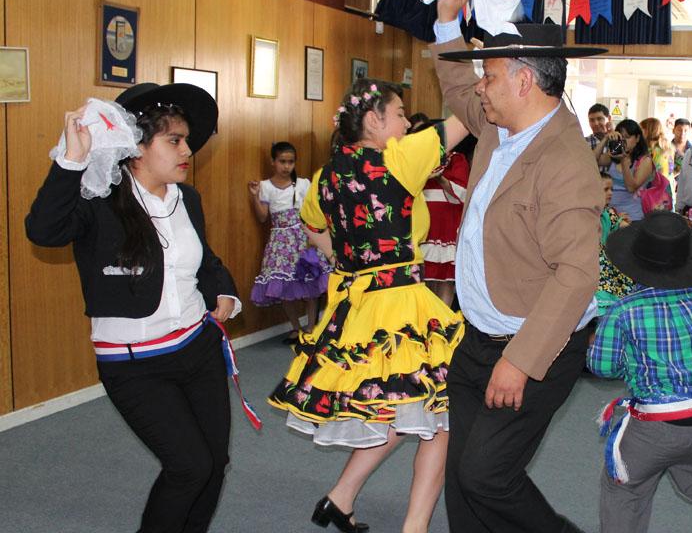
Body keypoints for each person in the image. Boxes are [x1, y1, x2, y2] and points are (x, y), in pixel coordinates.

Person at [25, 83, 241, 533]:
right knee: (188, 467)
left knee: (214, 463)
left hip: (197, 350)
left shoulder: (189, 199)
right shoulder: (99, 200)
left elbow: (206, 261)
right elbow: (44, 231)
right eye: (174, 141)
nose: (187, 151)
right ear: (136, 147)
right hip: (136, 364)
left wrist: (223, 290)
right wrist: (72, 161)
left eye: (186, 140)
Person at [432, 0, 605, 533]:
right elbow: (459, 89)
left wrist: (520, 360)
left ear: (525, 81)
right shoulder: (499, 127)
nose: (482, 87)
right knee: (462, 479)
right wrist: (444, 23)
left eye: (492, 76)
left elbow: (577, 275)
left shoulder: (565, 161)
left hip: (533, 347)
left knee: (486, 476)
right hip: (479, 337)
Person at [267, 79, 470, 533]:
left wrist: (342, 258)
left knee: (400, 408)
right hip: (401, 306)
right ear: (374, 119)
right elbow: (467, 118)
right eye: (398, 113)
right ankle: (413, 527)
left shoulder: (326, 173)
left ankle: (339, 501)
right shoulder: (398, 158)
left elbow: (311, 226)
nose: (404, 121)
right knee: (439, 415)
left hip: (355, 305)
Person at [589, 210, 692, 533]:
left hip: (657, 427)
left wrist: (631, 365)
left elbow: (601, 366)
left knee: (625, 489)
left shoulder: (624, 310)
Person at [247, 141, 329, 342]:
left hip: (303, 239)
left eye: (291, 162)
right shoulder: (264, 186)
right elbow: (263, 217)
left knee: (311, 284)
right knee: (282, 287)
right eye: (282, 161)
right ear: (273, 162)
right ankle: (295, 327)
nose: (286, 166)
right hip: (280, 241)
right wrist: (255, 197)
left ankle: (311, 328)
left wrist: (313, 239)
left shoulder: (303, 184)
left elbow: (312, 212)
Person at [422, 133, 473, 307]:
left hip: (448, 225)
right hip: (426, 227)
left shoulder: (457, 160)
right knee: (424, 281)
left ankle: (443, 326)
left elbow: (465, 195)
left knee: (446, 280)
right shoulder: (421, 160)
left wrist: (440, 178)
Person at [594, 119, 655, 222]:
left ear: (637, 138)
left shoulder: (644, 161)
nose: (623, 141)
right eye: (620, 137)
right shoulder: (613, 156)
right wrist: (606, 139)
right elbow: (591, 161)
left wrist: (623, 160)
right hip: (611, 217)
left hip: (631, 217)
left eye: (627, 137)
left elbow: (631, 187)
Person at [596, 171, 633, 316]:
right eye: (605, 189)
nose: (610, 193)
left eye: (611, 189)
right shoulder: (585, 215)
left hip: (608, 265)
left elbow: (628, 229)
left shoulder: (609, 213)